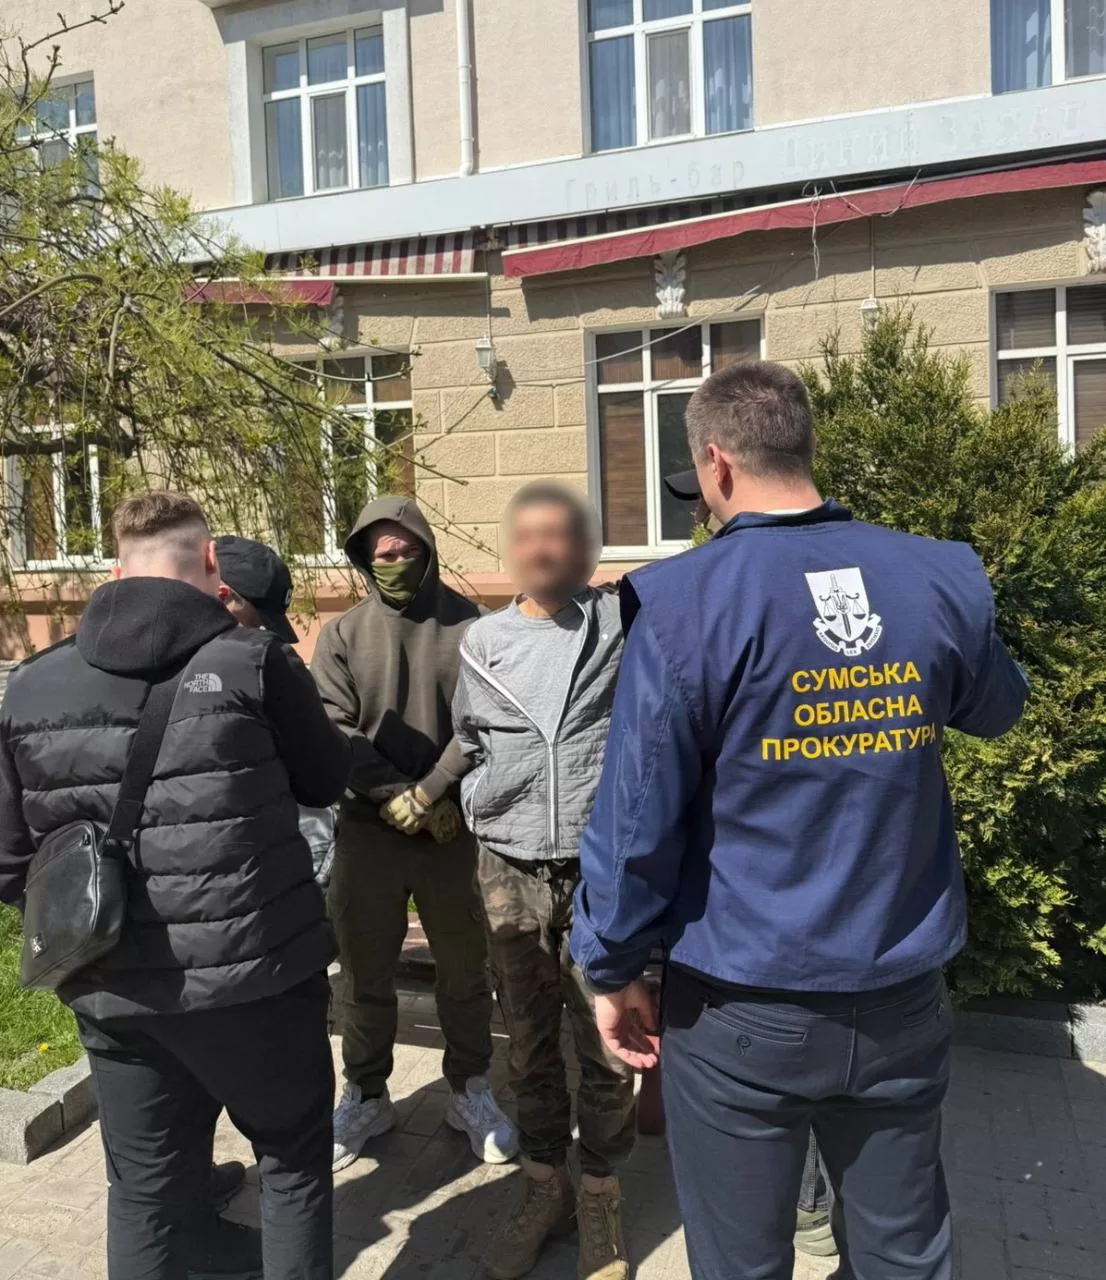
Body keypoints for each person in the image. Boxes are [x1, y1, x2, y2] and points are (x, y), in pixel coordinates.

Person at [570, 362, 1029, 1280]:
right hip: (899, 992)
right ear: (803, 445)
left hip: (742, 1006)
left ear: (716, 463)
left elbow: (637, 820)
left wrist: (610, 966)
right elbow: (999, 709)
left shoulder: (685, 601)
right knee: (906, 1254)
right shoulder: (935, 574)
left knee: (742, 1262)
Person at [0, 491, 351, 1280]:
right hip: (255, 980)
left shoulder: (29, 685)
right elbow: (327, 781)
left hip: (112, 987)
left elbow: (9, 863)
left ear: (115, 570)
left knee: (142, 1191)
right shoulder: (255, 663)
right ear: (212, 564)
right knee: (291, 1160)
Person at [453, 482, 636, 1280]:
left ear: (586, 549)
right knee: (526, 1044)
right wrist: (476, 800)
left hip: (601, 870)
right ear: (511, 549)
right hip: (508, 865)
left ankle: (599, 1193)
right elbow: (468, 738)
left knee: (607, 1044)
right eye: (526, 536)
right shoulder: (483, 642)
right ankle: (542, 1186)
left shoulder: (619, 624)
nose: (541, 549)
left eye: (558, 535)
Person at [311, 495, 516, 1170]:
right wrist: (395, 794)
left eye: (404, 551)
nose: (393, 563)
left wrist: (433, 794)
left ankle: (470, 1088)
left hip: (450, 833)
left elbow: (482, 722)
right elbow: (334, 729)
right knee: (363, 972)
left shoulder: (473, 627)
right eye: (380, 555)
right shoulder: (343, 635)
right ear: (363, 560)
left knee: (464, 970)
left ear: (427, 551)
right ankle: (367, 1093)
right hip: (367, 832)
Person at [215, 535, 336, 888]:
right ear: (224, 595)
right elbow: (323, 778)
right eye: (255, 620)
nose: (257, 632)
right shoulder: (260, 662)